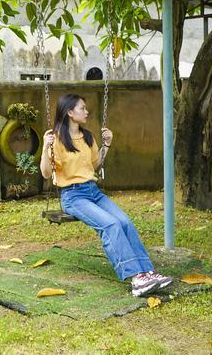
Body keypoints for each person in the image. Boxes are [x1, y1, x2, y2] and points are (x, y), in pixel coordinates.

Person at [40, 93, 173, 297]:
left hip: (93, 192)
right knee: (110, 225)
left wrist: (107, 144)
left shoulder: (87, 137)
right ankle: (136, 279)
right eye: (82, 108)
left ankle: (148, 272)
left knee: (124, 222)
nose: (87, 112)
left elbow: (94, 164)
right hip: (73, 196)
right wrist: (44, 147)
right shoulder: (55, 140)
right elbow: (46, 173)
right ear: (70, 112)